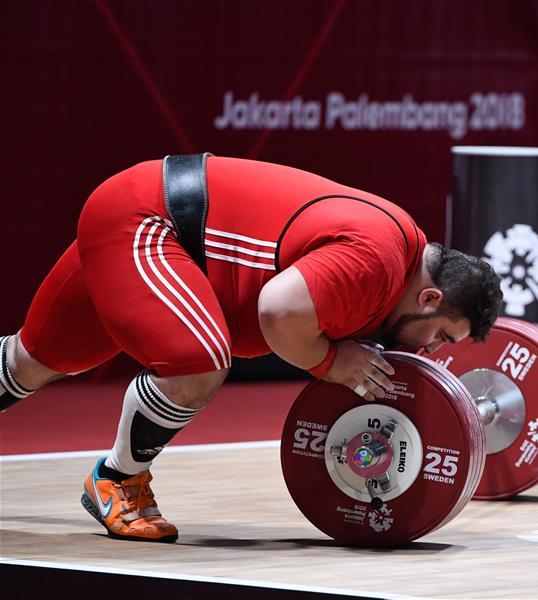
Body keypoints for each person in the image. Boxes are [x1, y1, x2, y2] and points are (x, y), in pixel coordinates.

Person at [0, 154, 502, 543]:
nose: (431, 350)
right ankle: (116, 480)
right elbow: (279, 311)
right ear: (429, 299)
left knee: (30, 361)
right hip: (148, 221)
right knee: (197, 364)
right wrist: (330, 361)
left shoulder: (398, 256)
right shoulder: (376, 262)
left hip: (157, 219)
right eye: (441, 336)